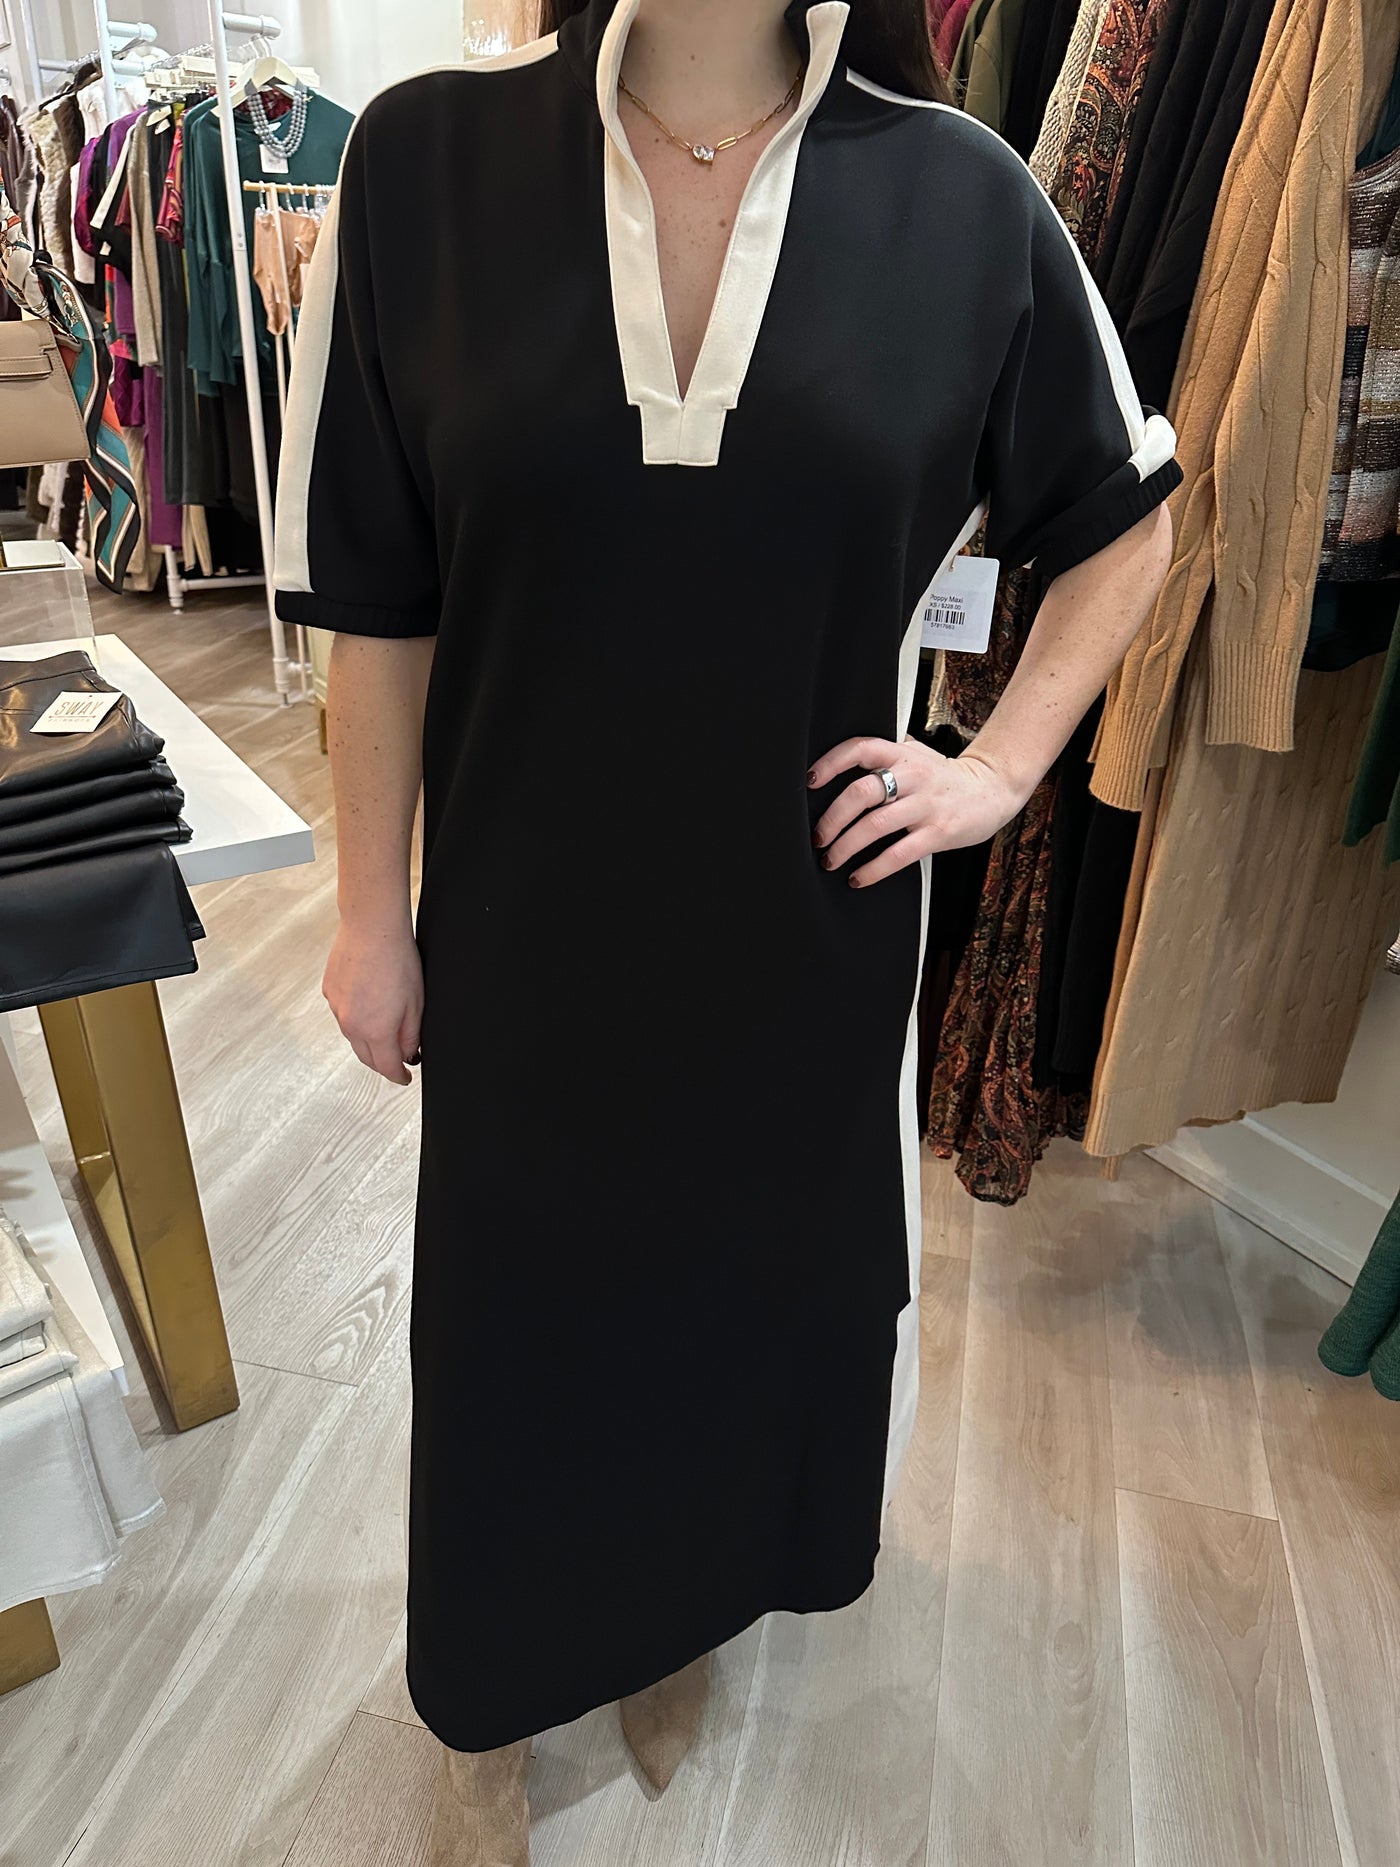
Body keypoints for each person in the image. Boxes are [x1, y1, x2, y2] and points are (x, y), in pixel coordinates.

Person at [271, 0, 1180, 1859]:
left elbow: (1127, 517)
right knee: (523, 1322)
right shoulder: (424, 166)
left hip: (800, 933)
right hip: (525, 931)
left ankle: (680, 1618)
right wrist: (371, 914)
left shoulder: (965, 199)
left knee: (748, 1305)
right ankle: (508, 1670)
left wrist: (997, 770)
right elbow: (376, 592)